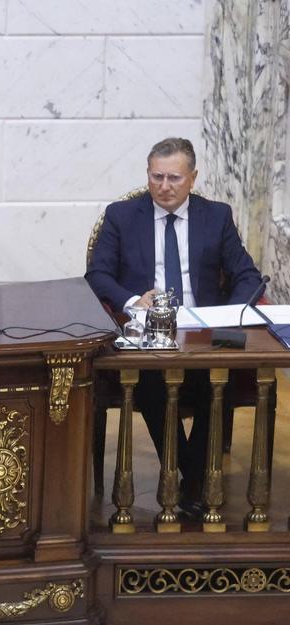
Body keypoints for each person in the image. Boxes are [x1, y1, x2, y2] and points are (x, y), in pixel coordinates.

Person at [86, 137, 261, 519]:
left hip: (203, 333)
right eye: (157, 177)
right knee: (151, 384)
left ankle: (191, 478)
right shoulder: (121, 216)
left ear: (192, 178)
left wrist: (228, 314)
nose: (164, 186)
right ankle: (195, 478)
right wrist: (133, 301)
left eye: (174, 178)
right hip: (149, 336)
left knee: (220, 381)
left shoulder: (216, 216)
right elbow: (97, 274)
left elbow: (248, 275)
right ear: (148, 174)